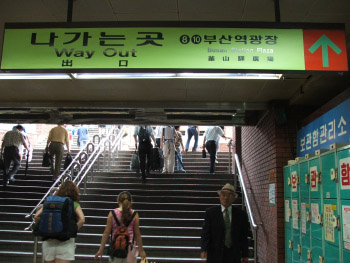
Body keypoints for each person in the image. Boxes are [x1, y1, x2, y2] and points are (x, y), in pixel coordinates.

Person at [34, 181, 85, 263]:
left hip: (48, 241)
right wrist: (72, 230)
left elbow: (36, 216)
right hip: (65, 242)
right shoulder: (73, 204)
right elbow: (82, 219)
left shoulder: (51, 202)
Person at [200, 183, 249, 263]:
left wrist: (245, 254)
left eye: (229, 195)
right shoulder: (211, 213)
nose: (226, 198)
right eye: (223, 195)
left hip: (233, 254)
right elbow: (205, 233)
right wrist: (204, 249)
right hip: (215, 253)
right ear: (219, 197)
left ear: (234, 198)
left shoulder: (241, 215)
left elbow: (244, 236)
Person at [95, 191, 146, 263]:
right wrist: (141, 251)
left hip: (115, 248)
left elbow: (106, 232)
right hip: (130, 249)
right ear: (130, 202)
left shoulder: (112, 214)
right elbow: (137, 234)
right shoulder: (135, 215)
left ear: (118, 202)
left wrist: (101, 249)